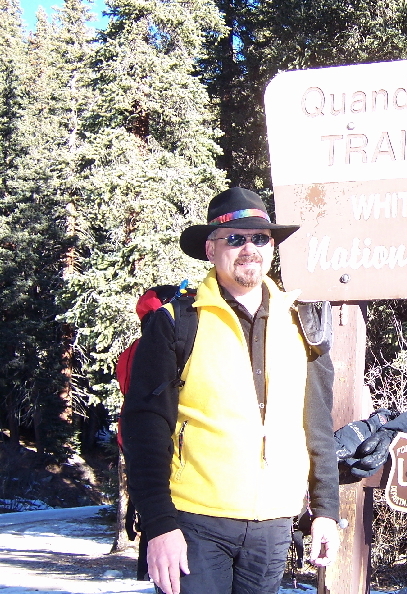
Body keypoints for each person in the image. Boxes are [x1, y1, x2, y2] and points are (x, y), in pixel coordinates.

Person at [120, 187, 340, 594]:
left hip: (274, 527)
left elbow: (317, 423)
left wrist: (326, 509)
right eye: (235, 238)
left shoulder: (301, 322)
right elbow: (145, 428)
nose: (249, 248)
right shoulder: (175, 322)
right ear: (210, 249)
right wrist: (159, 524)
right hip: (193, 524)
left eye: (260, 238)